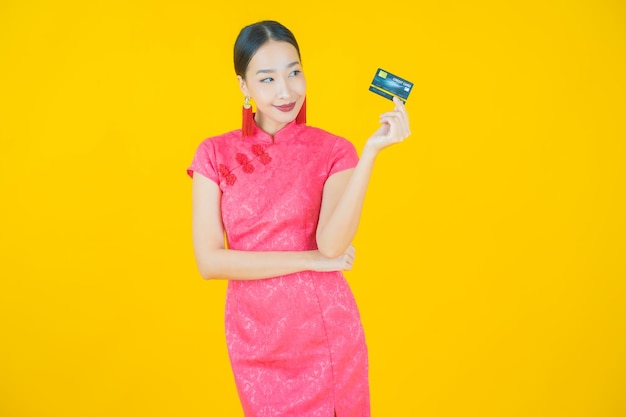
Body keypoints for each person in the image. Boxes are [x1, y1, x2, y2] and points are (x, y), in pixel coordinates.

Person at [187, 20, 410, 417]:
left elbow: (331, 245)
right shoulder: (213, 155)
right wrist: (308, 261)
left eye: (294, 72)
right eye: (267, 78)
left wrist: (371, 153)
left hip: (324, 333)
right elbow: (210, 262)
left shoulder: (334, 150)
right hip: (253, 337)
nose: (286, 90)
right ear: (244, 86)